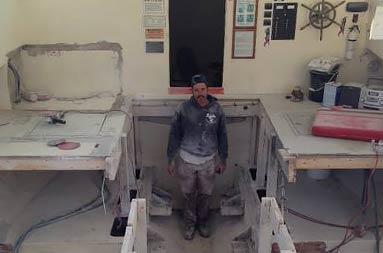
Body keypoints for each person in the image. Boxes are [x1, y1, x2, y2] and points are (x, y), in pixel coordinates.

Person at [166, 74, 228, 240]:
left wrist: (223, 158)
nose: (200, 93)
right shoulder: (183, 109)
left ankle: (203, 222)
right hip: (186, 162)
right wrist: (170, 159)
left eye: (203, 89)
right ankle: (189, 223)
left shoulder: (217, 109)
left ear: (207, 90)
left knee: (205, 195)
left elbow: (222, 135)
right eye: (196, 90)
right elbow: (174, 135)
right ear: (192, 91)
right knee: (189, 195)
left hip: (208, 162)